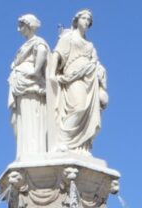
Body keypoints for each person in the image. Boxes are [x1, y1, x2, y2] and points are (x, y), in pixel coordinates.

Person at [52, 9, 108, 154]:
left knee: (89, 113)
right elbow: (57, 54)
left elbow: (96, 62)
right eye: (84, 18)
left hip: (89, 79)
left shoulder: (90, 44)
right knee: (78, 107)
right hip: (73, 76)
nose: (87, 21)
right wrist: (51, 74)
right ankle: (63, 141)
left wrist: (101, 82)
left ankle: (80, 146)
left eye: (89, 20)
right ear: (77, 20)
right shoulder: (68, 37)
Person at [8, 14, 50, 161]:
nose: (19, 29)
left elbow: (43, 52)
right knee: (18, 120)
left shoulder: (38, 41)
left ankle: (33, 152)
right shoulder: (24, 46)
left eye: (21, 25)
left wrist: (35, 71)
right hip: (21, 87)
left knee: (32, 117)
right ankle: (24, 153)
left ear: (29, 25)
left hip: (31, 86)